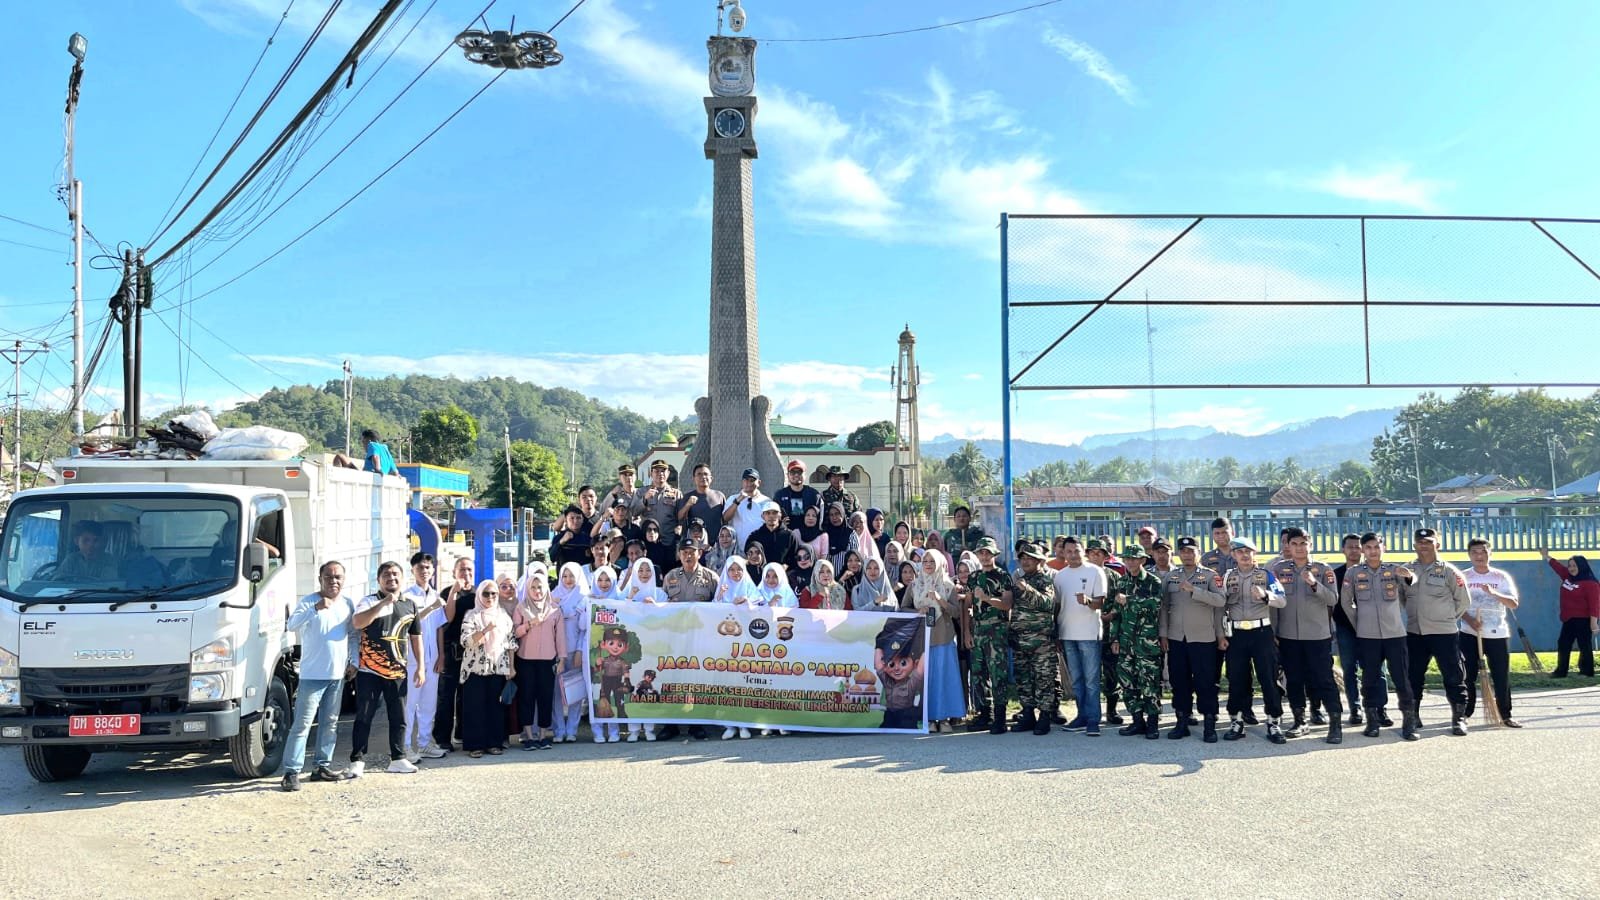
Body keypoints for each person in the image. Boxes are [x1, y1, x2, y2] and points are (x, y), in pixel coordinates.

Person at [280, 561, 358, 791]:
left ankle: (321, 766)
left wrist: (354, 661)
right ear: (320, 579)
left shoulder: (347, 604)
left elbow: (353, 635)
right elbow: (291, 625)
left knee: (330, 723)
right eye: (329, 577)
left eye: (338, 577)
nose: (334, 581)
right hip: (312, 676)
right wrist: (315, 608)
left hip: (337, 675)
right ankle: (291, 771)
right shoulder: (308, 602)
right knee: (302, 725)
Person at [346, 561, 424, 777]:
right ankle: (357, 760)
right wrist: (382, 605)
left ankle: (398, 758)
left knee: (399, 717)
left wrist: (421, 668)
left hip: (398, 671)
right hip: (369, 671)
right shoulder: (368, 601)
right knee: (364, 715)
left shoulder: (410, 604)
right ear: (379, 580)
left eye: (396, 574)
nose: (392, 578)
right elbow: (357, 623)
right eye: (387, 575)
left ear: (402, 578)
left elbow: (416, 637)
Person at [1267, 528, 1343, 743]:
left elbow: (1332, 599)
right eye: (1295, 544)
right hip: (1289, 635)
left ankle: (1335, 722)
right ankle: (1300, 720)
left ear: (1310, 545)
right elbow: (1273, 604)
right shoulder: (1279, 570)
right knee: (1294, 680)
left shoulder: (1323, 570)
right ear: (1288, 546)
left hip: (1317, 635)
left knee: (1324, 679)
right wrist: (1273, 632)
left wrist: (1313, 583)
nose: (1299, 548)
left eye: (1303, 543)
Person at [1340, 533, 1418, 740]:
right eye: (1368, 547)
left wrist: (1408, 576)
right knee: (1370, 679)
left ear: (1384, 548)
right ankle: (1372, 721)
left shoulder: (1394, 570)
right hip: (1367, 636)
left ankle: (1408, 723)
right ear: (1363, 550)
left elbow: (1410, 586)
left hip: (1395, 634)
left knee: (1402, 678)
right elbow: (1346, 602)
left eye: (1377, 546)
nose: (1373, 551)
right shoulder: (1354, 573)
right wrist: (1359, 624)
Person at [1404, 528, 1473, 737]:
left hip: (1444, 633)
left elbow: (1463, 601)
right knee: (1413, 676)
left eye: (1428, 542)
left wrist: (1446, 619)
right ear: (1414, 545)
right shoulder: (1406, 571)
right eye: (1420, 542)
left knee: (1453, 676)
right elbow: (1400, 597)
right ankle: (1413, 716)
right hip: (1415, 632)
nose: (1423, 546)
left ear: (1437, 545)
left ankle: (1458, 718)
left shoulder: (1449, 571)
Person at [1221, 538, 1287, 744]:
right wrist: (1221, 634)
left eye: (1248, 551)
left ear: (1254, 553)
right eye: (1239, 552)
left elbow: (1282, 600)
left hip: (1261, 632)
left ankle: (1273, 721)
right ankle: (1236, 720)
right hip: (1237, 633)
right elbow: (1220, 605)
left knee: (1268, 677)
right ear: (1233, 555)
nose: (1244, 555)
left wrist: (1266, 595)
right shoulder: (1227, 577)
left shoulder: (1266, 575)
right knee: (1237, 678)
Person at [1160, 537, 1226, 742]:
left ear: (1198, 553)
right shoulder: (1171, 577)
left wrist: (1195, 591)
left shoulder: (1210, 576)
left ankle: (1209, 723)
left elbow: (1220, 601)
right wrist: (1163, 633)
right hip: (1177, 637)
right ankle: (1182, 721)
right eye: (1183, 551)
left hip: (1203, 637)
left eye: (1191, 551)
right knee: (1179, 680)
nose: (1187, 555)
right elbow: (1163, 607)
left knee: (1205, 682)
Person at [1461, 538, 1521, 728]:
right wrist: (1470, 620)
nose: (1479, 556)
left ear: (1490, 553)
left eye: (1483, 552)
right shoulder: (1463, 577)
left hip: (1497, 633)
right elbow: (1455, 604)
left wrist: (1493, 593)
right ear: (1469, 555)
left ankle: (1505, 714)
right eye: (1475, 552)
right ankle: (1464, 713)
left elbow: (1513, 603)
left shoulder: (1500, 577)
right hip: (1469, 632)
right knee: (1467, 675)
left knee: (1501, 675)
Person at [1051, 536, 1106, 736]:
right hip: (1067, 633)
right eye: (1069, 551)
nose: (1073, 555)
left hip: (1089, 634)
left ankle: (1093, 719)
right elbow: (1057, 606)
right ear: (1063, 553)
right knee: (1077, 680)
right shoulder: (1060, 576)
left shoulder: (1095, 572)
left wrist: (1088, 601)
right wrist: (1056, 632)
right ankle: (1082, 715)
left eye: (1076, 551)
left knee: (1091, 680)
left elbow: (1100, 603)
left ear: (1083, 551)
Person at [1107, 545, 1163, 739]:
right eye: (1127, 558)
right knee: (1127, 683)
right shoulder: (1121, 582)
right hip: (1125, 641)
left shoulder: (1152, 581)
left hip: (1146, 642)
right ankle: (1137, 721)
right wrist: (1114, 638)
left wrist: (1129, 600)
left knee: (1149, 683)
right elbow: (1116, 614)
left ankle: (1153, 723)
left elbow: (1155, 605)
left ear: (1143, 560)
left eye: (1134, 558)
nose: (1130, 562)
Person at [459, 579, 514, 758]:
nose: (490, 597)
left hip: (498, 667)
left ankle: (494, 743)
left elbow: (511, 643)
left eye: (493, 594)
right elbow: (465, 641)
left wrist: (511, 668)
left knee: (495, 708)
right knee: (475, 708)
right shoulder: (472, 615)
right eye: (486, 593)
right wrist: (485, 631)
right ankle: (475, 745)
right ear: (479, 595)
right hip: (475, 669)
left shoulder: (503, 615)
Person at [401, 553, 448, 762]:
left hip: (432, 657)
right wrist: (431, 608)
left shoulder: (435, 595)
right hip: (412, 659)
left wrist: (441, 655)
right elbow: (408, 624)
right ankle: (404, 746)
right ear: (413, 570)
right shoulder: (407, 597)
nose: (425, 571)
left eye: (428, 567)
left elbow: (439, 628)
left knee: (429, 703)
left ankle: (425, 742)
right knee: (411, 703)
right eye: (420, 568)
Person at [1008, 542, 1059, 736]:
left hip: (1041, 641)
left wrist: (1027, 589)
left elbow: (1047, 604)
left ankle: (1045, 716)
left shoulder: (1044, 580)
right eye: (1023, 558)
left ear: (1039, 561)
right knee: (1024, 679)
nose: (1025, 561)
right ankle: (1028, 714)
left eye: (1030, 558)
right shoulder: (1017, 580)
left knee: (1043, 678)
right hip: (1021, 640)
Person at [512, 572, 566, 751]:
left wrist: (562, 659)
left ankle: (543, 735)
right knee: (526, 697)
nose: (537, 591)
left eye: (540, 587)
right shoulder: (521, 608)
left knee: (545, 697)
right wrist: (528, 625)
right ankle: (528, 736)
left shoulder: (554, 609)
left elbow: (560, 637)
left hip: (547, 660)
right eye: (533, 587)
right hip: (525, 660)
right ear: (528, 589)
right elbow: (513, 633)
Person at [967, 538, 1014, 735]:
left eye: (988, 553)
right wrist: (967, 631)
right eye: (981, 553)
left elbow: (1007, 604)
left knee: (998, 674)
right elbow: (968, 605)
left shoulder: (1003, 576)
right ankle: (985, 713)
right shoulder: (974, 577)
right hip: (978, 630)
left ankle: (1000, 717)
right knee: (979, 674)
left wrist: (987, 599)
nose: (984, 557)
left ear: (994, 554)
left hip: (997, 629)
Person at [620, 559, 668, 742]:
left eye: (648, 570)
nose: (645, 573)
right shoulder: (626, 593)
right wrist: (631, 599)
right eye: (641, 570)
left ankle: (649, 728)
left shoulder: (660, 594)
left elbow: (668, 615)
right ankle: (633, 729)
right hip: (632, 651)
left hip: (653, 648)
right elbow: (618, 613)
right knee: (633, 686)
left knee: (650, 689)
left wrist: (655, 606)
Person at [432, 556, 475, 752]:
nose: (466, 574)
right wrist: (454, 594)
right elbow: (446, 619)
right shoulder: (446, 593)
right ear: (454, 573)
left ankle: (463, 733)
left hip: (471, 651)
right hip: (450, 650)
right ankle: (442, 738)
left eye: (469, 570)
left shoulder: (478, 593)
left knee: (466, 696)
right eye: (462, 570)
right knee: (446, 697)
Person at [1541, 546, 1599, 678]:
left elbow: (1595, 605)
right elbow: (1558, 568)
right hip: (1568, 619)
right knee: (1563, 643)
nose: (1571, 568)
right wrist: (1546, 556)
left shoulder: (1591, 584)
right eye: (1570, 565)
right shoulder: (1568, 576)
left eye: (1574, 565)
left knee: (1584, 645)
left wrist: (1594, 623)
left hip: (1584, 619)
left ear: (1582, 566)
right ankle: (1561, 671)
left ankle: (1587, 671)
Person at [1331, 534, 1369, 728]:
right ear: (1343, 550)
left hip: (1370, 629)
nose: (1354, 550)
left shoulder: (1372, 571)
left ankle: (1378, 708)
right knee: (1349, 669)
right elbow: (1333, 604)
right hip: (1346, 629)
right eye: (1350, 547)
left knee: (1374, 669)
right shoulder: (1336, 575)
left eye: (1357, 547)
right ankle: (1355, 708)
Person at [1085, 539, 1124, 727]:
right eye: (1091, 553)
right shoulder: (1081, 575)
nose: (1094, 556)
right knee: (1089, 674)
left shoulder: (1114, 576)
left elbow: (1120, 602)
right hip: (1085, 632)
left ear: (1106, 556)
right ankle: (1089, 711)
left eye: (1098, 553)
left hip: (1108, 633)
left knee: (1111, 673)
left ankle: (1112, 709)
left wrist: (1112, 615)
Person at [552, 563, 592, 743]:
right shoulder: (553, 596)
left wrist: (579, 651)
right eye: (565, 576)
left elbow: (585, 629)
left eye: (571, 576)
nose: (568, 580)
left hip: (575, 650)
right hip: (556, 652)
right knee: (556, 694)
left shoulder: (584, 597)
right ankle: (558, 730)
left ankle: (572, 730)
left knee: (575, 691)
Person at [722, 468, 771, 550]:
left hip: (759, 548)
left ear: (759, 483)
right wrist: (738, 501)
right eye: (746, 480)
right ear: (742, 482)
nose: (749, 483)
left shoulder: (766, 501)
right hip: (737, 548)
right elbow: (725, 518)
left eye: (752, 480)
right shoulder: (733, 498)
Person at [53, 520, 118, 581]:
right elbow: (58, 581)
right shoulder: (71, 559)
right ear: (77, 541)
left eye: (96, 540)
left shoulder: (109, 560)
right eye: (86, 540)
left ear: (102, 542)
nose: (91, 545)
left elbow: (108, 586)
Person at [639, 460, 683, 543]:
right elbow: (633, 512)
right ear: (651, 473)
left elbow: (681, 517)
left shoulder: (676, 493)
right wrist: (644, 499)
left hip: (668, 540)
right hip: (648, 541)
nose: (660, 474)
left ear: (668, 473)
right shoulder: (642, 491)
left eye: (663, 471)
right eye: (657, 471)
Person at [677, 463, 726, 537]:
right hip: (696, 543)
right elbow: (679, 517)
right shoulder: (687, 497)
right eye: (699, 474)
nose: (703, 477)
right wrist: (688, 505)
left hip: (717, 542)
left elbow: (726, 519)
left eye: (706, 474)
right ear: (694, 478)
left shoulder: (719, 496)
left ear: (711, 478)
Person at [748, 501, 799, 570]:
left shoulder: (790, 535)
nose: (771, 516)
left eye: (774, 513)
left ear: (780, 515)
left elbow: (795, 556)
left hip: (784, 575)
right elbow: (748, 557)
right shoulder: (755, 536)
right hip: (760, 576)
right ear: (762, 516)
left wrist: (786, 565)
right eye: (768, 513)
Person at [773, 458, 821, 529]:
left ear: (805, 475)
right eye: (792, 472)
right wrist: (780, 524)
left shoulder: (814, 495)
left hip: (809, 536)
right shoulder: (780, 495)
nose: (796, 475)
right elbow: (773, 516)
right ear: (788, 475)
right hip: (787, 535)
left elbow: (821, 517)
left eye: (799, 472)